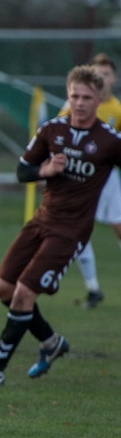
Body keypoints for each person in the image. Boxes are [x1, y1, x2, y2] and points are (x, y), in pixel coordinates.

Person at [0, 65, 121, 386]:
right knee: (3, 288)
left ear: (99, 99)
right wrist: (45, 170)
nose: (79, 103)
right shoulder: (52, 130)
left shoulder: (109, 140)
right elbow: (22, 172)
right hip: (40, 222)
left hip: (70, 232)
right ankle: (51, 343)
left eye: (86, 98)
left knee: (23, 294)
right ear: (67, 96)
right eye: (74, 96)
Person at [57, 53, 121, 309]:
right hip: (80, 178)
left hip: (107, 179)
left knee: (118, 226)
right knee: (79, 230)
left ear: (113, 79)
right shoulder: (72, 106)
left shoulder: (117, 109)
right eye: (97, 74)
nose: (102, 79)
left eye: (106, 74)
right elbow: (58, 132)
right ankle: (93, 288)